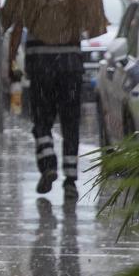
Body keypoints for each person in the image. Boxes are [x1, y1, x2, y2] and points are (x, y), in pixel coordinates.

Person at [7, 21, 83, 196]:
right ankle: (70, 179)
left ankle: (48, 163)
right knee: (70, 123)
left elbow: (18, 27)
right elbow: (88, 23)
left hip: (41, 66)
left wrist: (11, 60)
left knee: (42, 120)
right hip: (70, 66)